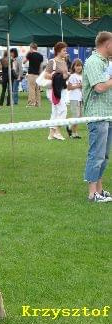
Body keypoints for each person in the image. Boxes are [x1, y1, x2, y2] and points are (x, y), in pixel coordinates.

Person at [82, 31, 112, 203]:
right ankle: (92, 193)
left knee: (104, 156)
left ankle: (99, 190)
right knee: (96, 155)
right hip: (97, 114)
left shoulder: (106, 63)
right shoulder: (93, 62)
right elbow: (99, 87)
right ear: (107, 44)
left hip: (107, 114)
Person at [45, 41, 69, 141]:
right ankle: (57, 132)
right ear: (58, 51)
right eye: (64, 50)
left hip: (62, 88)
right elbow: (46, 75)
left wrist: (66, 75)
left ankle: (51, 134)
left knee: (55, 112)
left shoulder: (64, 62)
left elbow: (65, 75)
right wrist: (56, 75)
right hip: (54, 89)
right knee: (63, 109)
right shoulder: (52, 61)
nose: (65, 52)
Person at [67, 58, 84, 139]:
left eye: (80, 66)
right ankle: (74, 134)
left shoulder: (83, 76)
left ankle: (69, 126)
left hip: (81, 98)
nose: (79, 67)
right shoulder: (72, 76)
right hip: (74, 98)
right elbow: (69, 87)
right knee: (76, 116)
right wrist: (78, 86)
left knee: (80, 116)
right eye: (77, 66)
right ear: (73, 67)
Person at [25, 43, 44, 107]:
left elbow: (24, 61)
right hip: (38, 75)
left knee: (31, 89)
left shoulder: (30, 54)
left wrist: (28, 53)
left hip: (31, 74)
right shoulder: (41, 56)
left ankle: (31, 103)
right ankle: (38, 103)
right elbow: (41, 66)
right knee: (37, 90)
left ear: (31, 47)